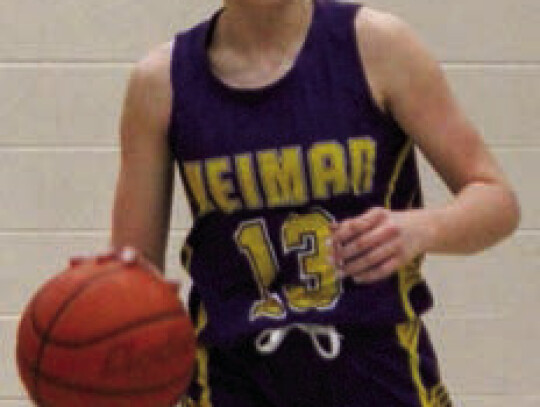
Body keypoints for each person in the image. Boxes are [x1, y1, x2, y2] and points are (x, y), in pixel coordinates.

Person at [111, 0, 520, 406]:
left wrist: (421, 228)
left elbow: (496, 199)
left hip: (376, 369)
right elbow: (132, 275)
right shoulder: (160, 83)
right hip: (232, 378)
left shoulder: (377, 46)